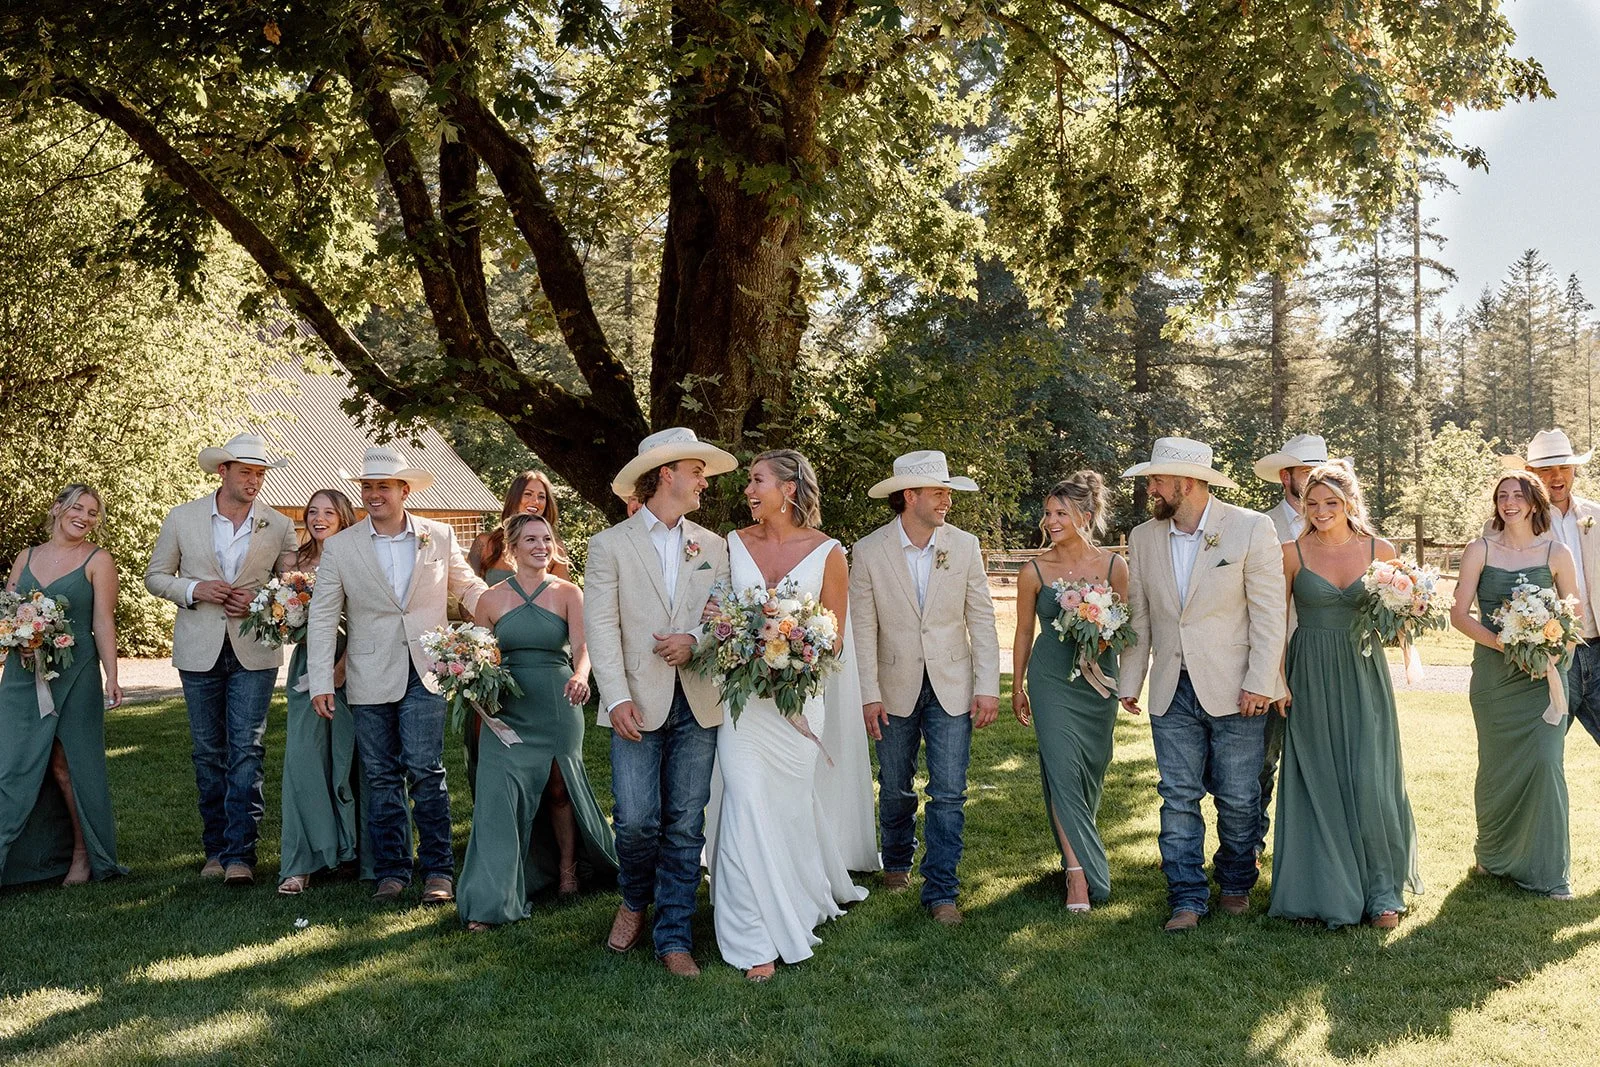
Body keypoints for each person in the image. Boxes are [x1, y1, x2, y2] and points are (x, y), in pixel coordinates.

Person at [707, 450, 869, 981]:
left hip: (799, 705)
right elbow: (718, 616)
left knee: (788, 809)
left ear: (790, 489)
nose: (748, 490)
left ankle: (796, 901)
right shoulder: (733, 545)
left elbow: (835, 638)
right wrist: (735, 635)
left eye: (757, 481)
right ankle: (752, 933)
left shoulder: (829, 554)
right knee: (745, 801)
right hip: (745, 708)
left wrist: (795, 653)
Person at [306, 446, 488, 905]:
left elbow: (467, 587)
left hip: (427, 669)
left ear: (404, 490)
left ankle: (439, 871)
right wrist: (322, 680)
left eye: (382, 486)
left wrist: (510, 609)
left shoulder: (439, 536)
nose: (372, 494)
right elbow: (325, 615)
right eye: (366, 487)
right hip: (368, 672)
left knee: (426, 770)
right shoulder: (343, 547)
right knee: (381, 774)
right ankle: (391, 869)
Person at [1119, 437, 1286, 932]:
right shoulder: (1143, 537)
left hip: (1237, 690)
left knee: (1237, 795)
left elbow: (1269, 614)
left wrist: (1261, 681)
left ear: (1185, 484)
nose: (1150, 488)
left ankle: (1235, 881)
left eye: (1156, 480)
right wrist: (1131, 679)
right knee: (1177, 796)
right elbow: (1140, 616)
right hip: (1172, 689)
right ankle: (1187, 896)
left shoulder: (1251, 528)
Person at [586, 428, 734, 977]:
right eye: (697, 471)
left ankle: (673, 934)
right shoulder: (609, 545)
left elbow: (725, 615)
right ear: (666, 473)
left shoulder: (713, 546)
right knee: (636, 821)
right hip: (635, 704)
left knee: (684, 822)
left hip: (698, 702)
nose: (704, 481)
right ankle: (632, 900)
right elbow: (600, 627)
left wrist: (696, 639)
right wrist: (617, 696)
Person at [1267, 462, 1422, 928]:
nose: (1320, 511)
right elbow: (1275, 623)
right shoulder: (1290, 553)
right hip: (1309, 671)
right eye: (1312, 503)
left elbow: (1397, 621)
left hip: (1363, 671)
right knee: (1319, 775)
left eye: (1331, 503)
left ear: (1350, 503)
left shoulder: (1382, 550)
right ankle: (1326, 888)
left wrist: (1409, 615)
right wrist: (1277, 681)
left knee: (1370, 776)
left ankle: (1381, 892)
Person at [852, 450, 1001, 925]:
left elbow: (981, 616)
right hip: (892, 684)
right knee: (895, 785)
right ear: (909, 496)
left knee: (950, 792)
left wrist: (987, 685)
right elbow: (862, 629)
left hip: (952, 684)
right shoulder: (869, 550)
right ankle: (897, 862)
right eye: (939, 492)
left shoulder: (964, 545)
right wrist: (868, 693)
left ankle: (942, 891)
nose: (947, 501)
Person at [145, 432, 299, 885]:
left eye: (260, 474)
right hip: (198, 648)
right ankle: (214, 849)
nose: (255, 481)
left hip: (255, 650)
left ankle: (240, 856)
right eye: (246, 472)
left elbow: (291, 587)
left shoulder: (278, 524)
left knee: (247, 750)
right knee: (209, 752)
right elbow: (156, 577)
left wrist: (256, 602)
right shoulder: (182, 518)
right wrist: (194, 591)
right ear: (223, 472)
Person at [458, 513, 618, 929]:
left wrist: (582, 676)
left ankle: (567, 869)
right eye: (530, 539)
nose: (541, 545)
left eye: (546, 538)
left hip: (557, 698)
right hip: (505, 708)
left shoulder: (568, 592)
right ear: (513, 548)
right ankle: (493, 897)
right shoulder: (490, 600)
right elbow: (479, 658)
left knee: (560, 789)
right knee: (498, 798)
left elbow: (584, 645)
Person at [1450, 470, 1578, 900]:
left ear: (1534, 502)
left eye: (1518, 495)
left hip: (1543, 679)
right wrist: (1507, 645)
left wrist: (1549, 654)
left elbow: (1570, 617)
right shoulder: (1479, 549)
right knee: (1496, 766)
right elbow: (1460, 614)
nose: (1509, 502)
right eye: (1502, 495)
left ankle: (1547, 871)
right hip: (1494, 676)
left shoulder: (1556, 552)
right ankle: (1493, 855)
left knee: (1546, 764)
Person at [1011, 472, 1126, 912]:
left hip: (1099, 683)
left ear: (1086, 515)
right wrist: (1018, 685)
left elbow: (1123, 626)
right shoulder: (1034, 569)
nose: (1050, 520)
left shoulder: (1115, 566)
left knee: (1088, 771)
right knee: (1062, 769)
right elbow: (1023, 632)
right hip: (1051, 679)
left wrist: (1102, 635)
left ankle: (1075, 850)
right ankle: (1078, 877)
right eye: (1048, 512)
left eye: (1061, 513)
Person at [0, 485, 126, 887]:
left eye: (93, 513)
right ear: (57, 509)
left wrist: (113, 675)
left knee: (68, 764)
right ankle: (17, 858)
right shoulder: (27, 556)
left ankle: (82, 854)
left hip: (75, 675)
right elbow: (7, 614)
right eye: (78, 508)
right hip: (22, 677)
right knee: (13, 764)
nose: (85, 517)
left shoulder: (98, 560)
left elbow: (103, 621)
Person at [276, 489, 372, 895]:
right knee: (304, 760)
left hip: (354, 662)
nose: (318, 518)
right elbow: (278, 614)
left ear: (344, 517)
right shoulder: (291, 562)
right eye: (312, 511)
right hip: (306, 666)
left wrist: (341, 666)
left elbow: (368, 618)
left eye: (328, 512)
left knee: (354, 759)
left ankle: (356, 854)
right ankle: (300, 862)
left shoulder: (358, 555)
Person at [1251, 433, 1331, 860]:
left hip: (1327, 661)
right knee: (1263, 760)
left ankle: (1313, 851)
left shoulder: (1342, 526)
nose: (1316, 479)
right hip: (1273, 660)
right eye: (1306, 471)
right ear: (1286, 477)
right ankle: (1251, 848)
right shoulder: (1259, 526)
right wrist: (1269, 672)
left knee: (1324, 757)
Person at [1515, 429, 1600, 748]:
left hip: (1598, 648)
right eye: (1547, 469)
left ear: (1574, 470)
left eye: (1564, 467)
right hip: (1551, 656)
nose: (1557, 476)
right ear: (1531, 475)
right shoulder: (1516, 523)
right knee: (1540, 749)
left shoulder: (1596, 515)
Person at [468, 470, 571, 583]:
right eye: (528, 494)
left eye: (541, 497)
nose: (535, 501)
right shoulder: (484, 542)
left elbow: (564, 595)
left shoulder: (555, 548)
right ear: (515, 498)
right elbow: (467, 589)